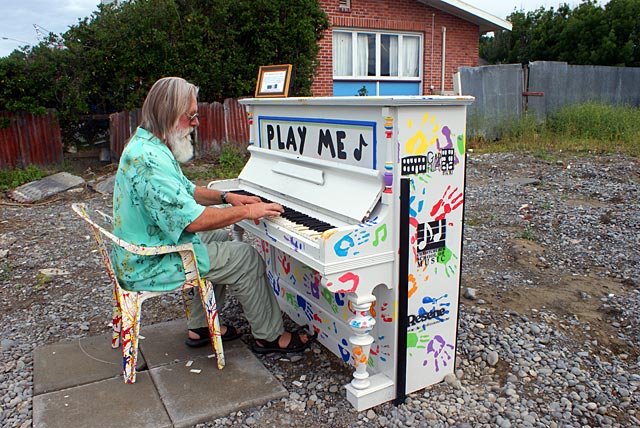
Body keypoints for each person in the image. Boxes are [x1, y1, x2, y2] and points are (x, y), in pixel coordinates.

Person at [111, 76, 310, 354]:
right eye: (191, 115)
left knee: (216, 235)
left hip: (144, 245)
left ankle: (201, 326)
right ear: (169, 114)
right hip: (147, 261)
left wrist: (227, 197)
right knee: (245, 257)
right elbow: (194, 221)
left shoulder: (148, 144)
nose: (196, 123)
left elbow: (186, 190)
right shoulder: (149, 160)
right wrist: (247, 211)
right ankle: (271, 337)